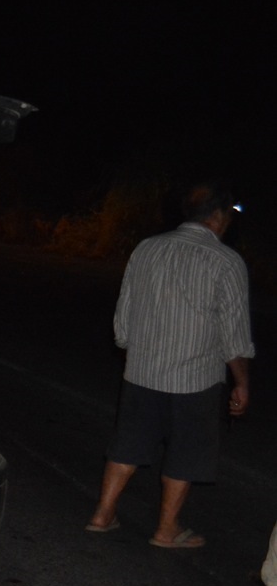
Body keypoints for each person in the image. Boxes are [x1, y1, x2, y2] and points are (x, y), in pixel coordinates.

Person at [86, 182, 255, 547]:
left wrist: (131, 350)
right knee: (186, 451)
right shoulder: (226, 261)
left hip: (142, 372)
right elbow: (234, 333)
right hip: (195, 379)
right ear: (217, 216)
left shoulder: (147, 249)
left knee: (127, 444)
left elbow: (124, 315)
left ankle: (102, 513)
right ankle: (166, 530)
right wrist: (241, 381)